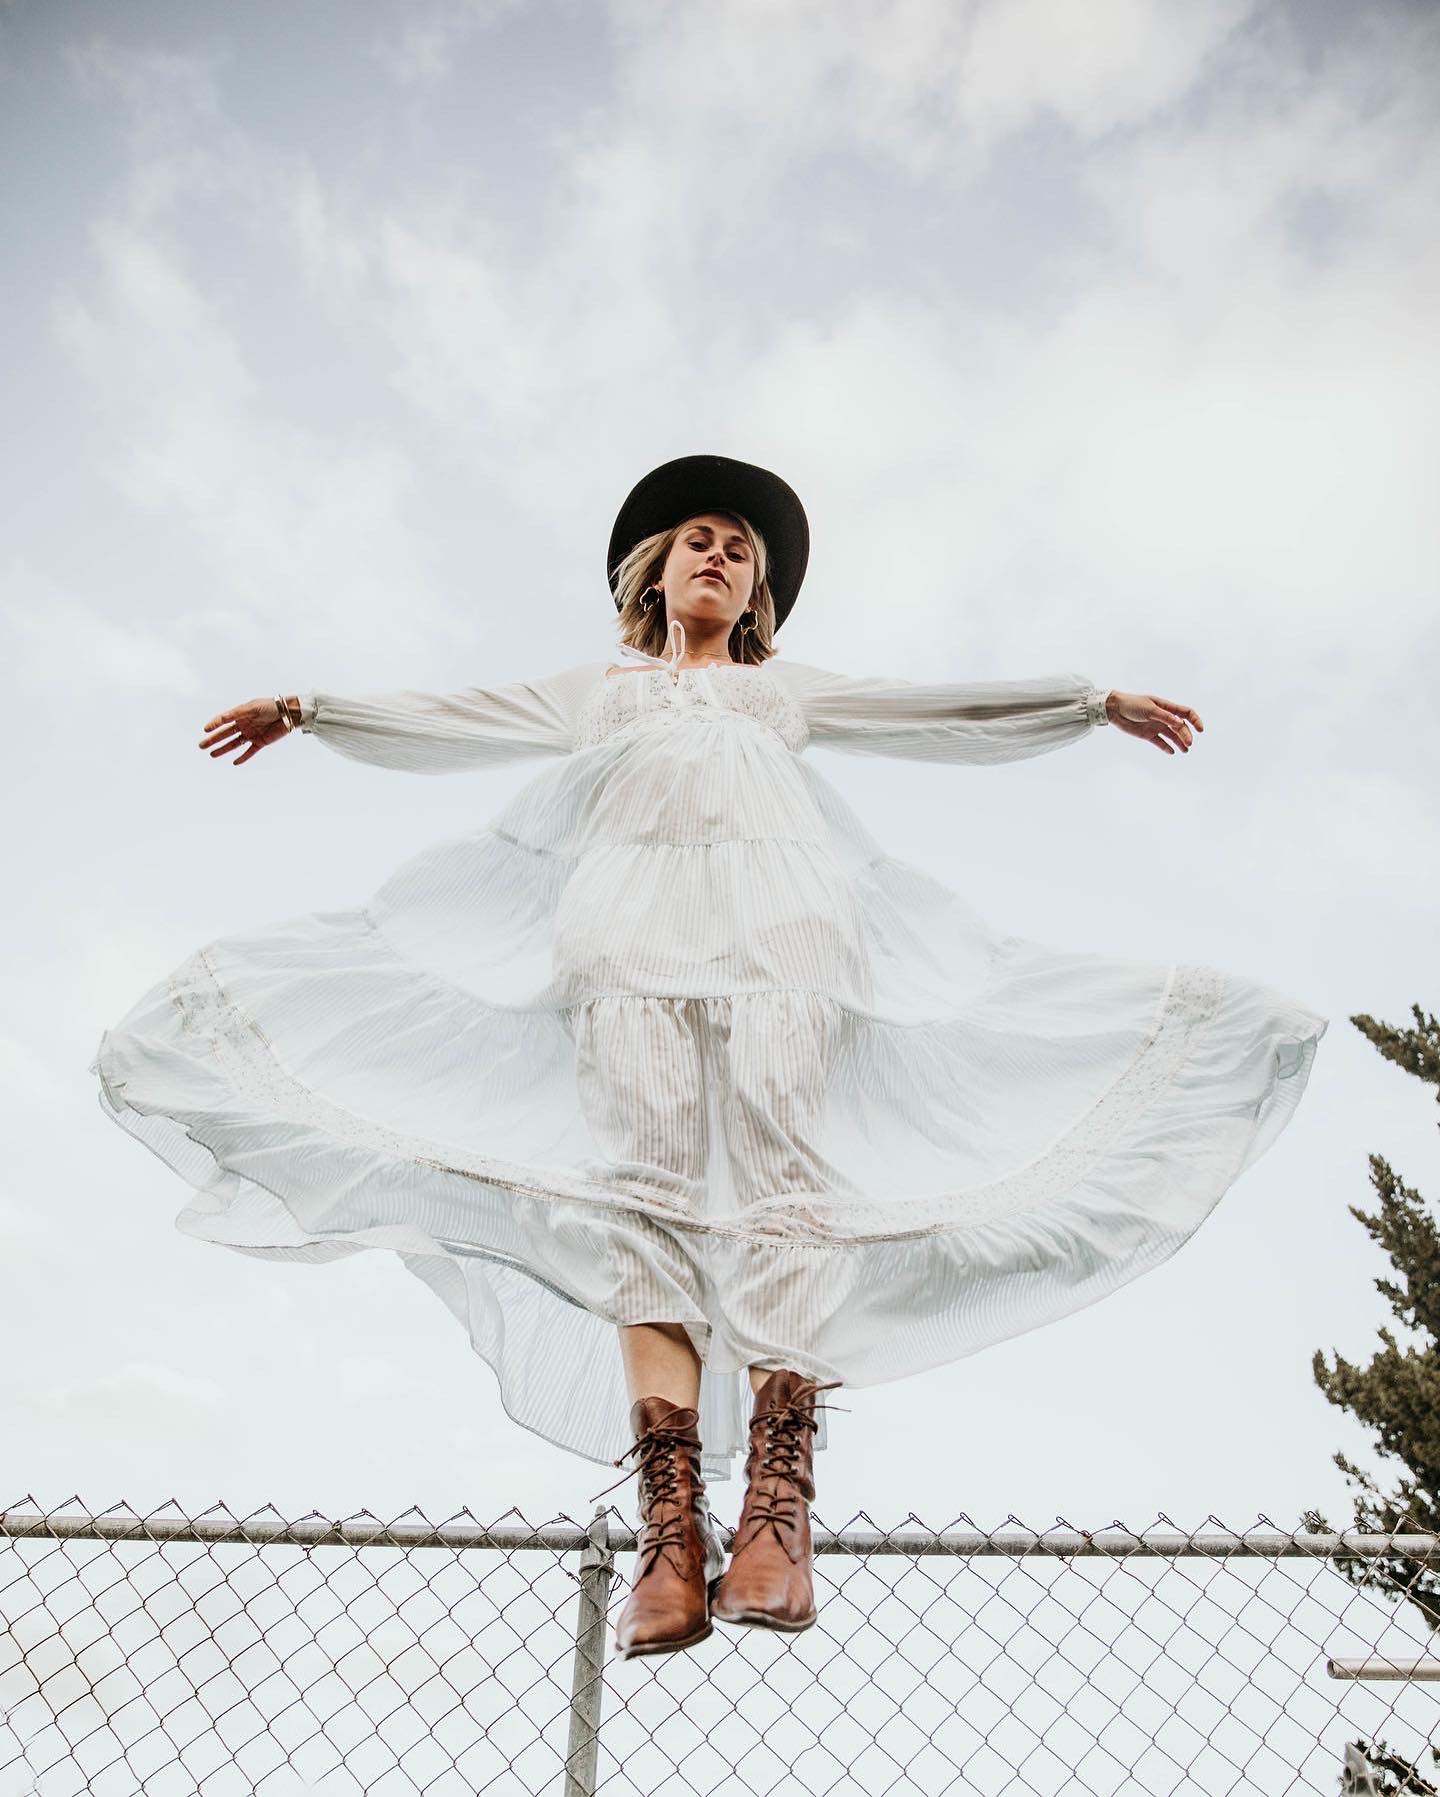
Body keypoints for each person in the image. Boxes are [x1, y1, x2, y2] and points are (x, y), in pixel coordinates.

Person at [91, 453, 1327, 1660]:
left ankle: (780, 1512)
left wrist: (1086, 702)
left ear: (756, 597)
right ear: (656, 571)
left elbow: (930, 707)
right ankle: (669, 1532)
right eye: (700, 541)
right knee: (644, 1200)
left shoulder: (778, 696)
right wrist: (312, 710)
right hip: (621, 947)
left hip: (787, 941)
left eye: (740, 552)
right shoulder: (599, 692)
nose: (720, 558)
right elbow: (457, 716)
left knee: (787, 1184)